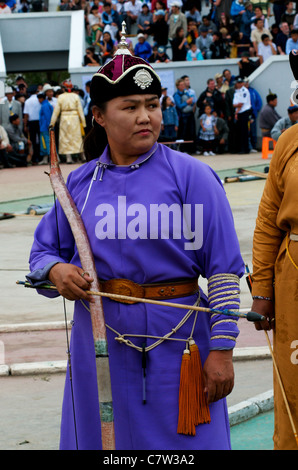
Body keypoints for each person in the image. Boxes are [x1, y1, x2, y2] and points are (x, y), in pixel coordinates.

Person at [26, 26, 244, 450]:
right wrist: (55, 270)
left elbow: (223, 271)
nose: (146, 117)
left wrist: (222, 350)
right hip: (102, 344)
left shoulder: (192, 177)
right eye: (130, 106)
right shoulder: (82, 184)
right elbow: (43, 250)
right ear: (100, 116)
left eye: (153, 104)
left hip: (180, 346)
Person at [251, 50, 298, 450]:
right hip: (293, 280)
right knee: (295, 385)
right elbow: (268, 222)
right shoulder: (288, 142)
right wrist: (262, 292)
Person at [49, 83, 86, 164]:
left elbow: (56, 111)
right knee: (77, 137)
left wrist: (52, 123)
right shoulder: (75, 96)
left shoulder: (61, 97)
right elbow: (80, 110)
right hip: (75, 118)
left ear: (63, 89)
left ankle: (69, 158)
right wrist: (83, 123)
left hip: (64, 118)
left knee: (65, 138)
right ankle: (82, 156)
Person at [173, 77, 196, 152]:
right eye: (181, 85)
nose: (183, 86)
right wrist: (187, 102)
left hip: (189, 115)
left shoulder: (186, 93)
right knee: (183, 133)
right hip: (183, 117)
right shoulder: (176, 95)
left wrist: (190, 102)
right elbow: (179, 106)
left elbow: (192, 101)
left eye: (183, 84)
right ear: (178, 86)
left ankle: (191, 149)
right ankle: (182, 149)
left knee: (190, 132)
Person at [232, 76, 251, 154]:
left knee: (244, 131)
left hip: (243, 112)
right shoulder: (237, 91)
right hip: (239, 112)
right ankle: (239, 148)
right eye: (238, 83)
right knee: (239, 131)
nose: (239, 84)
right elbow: (234, 104)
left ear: (243, 83)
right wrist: (236, 111)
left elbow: (241, 104)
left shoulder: (244, 91)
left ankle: (245, 149)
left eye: (240, 83)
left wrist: (236, 112)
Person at [23, 87, 41, 164]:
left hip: (32, 122)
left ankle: (34, 158)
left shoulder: (27, 101)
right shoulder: (39, 100)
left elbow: (26, 115)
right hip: (40, 122)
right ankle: (40, 157)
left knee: (33, 140)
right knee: (40, 139)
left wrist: (25, 125)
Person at [38, 92, 53, 165]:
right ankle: (46, 158)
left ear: (42, 98)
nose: (38, 100)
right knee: (46, 142)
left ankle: (51, 158)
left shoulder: (45, 106)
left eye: (39, 98)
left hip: (45, 127)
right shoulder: (46, 104)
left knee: (47, 142)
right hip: (45, 126)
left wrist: (48, 126)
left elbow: (47, 117)